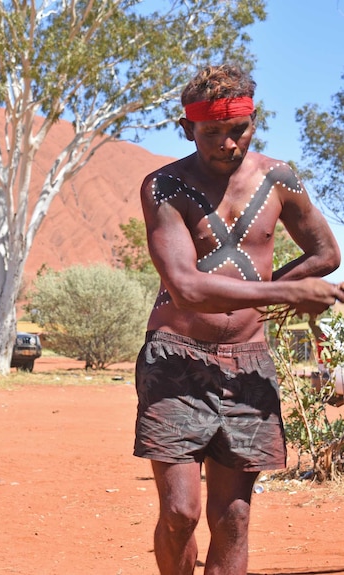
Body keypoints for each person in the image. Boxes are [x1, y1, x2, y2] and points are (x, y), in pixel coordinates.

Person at [134, 63, 344, 575]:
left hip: (249, 363)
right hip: (176, 362)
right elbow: (184, 286)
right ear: (188, 129)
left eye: (239, 130)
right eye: (212, 132)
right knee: (180, 512)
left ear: (254, 122)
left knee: (233, 517)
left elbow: (325, 253)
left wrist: (270, 300)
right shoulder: (165, 187)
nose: (228, 143)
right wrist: (286, 292)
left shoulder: (280, 180)